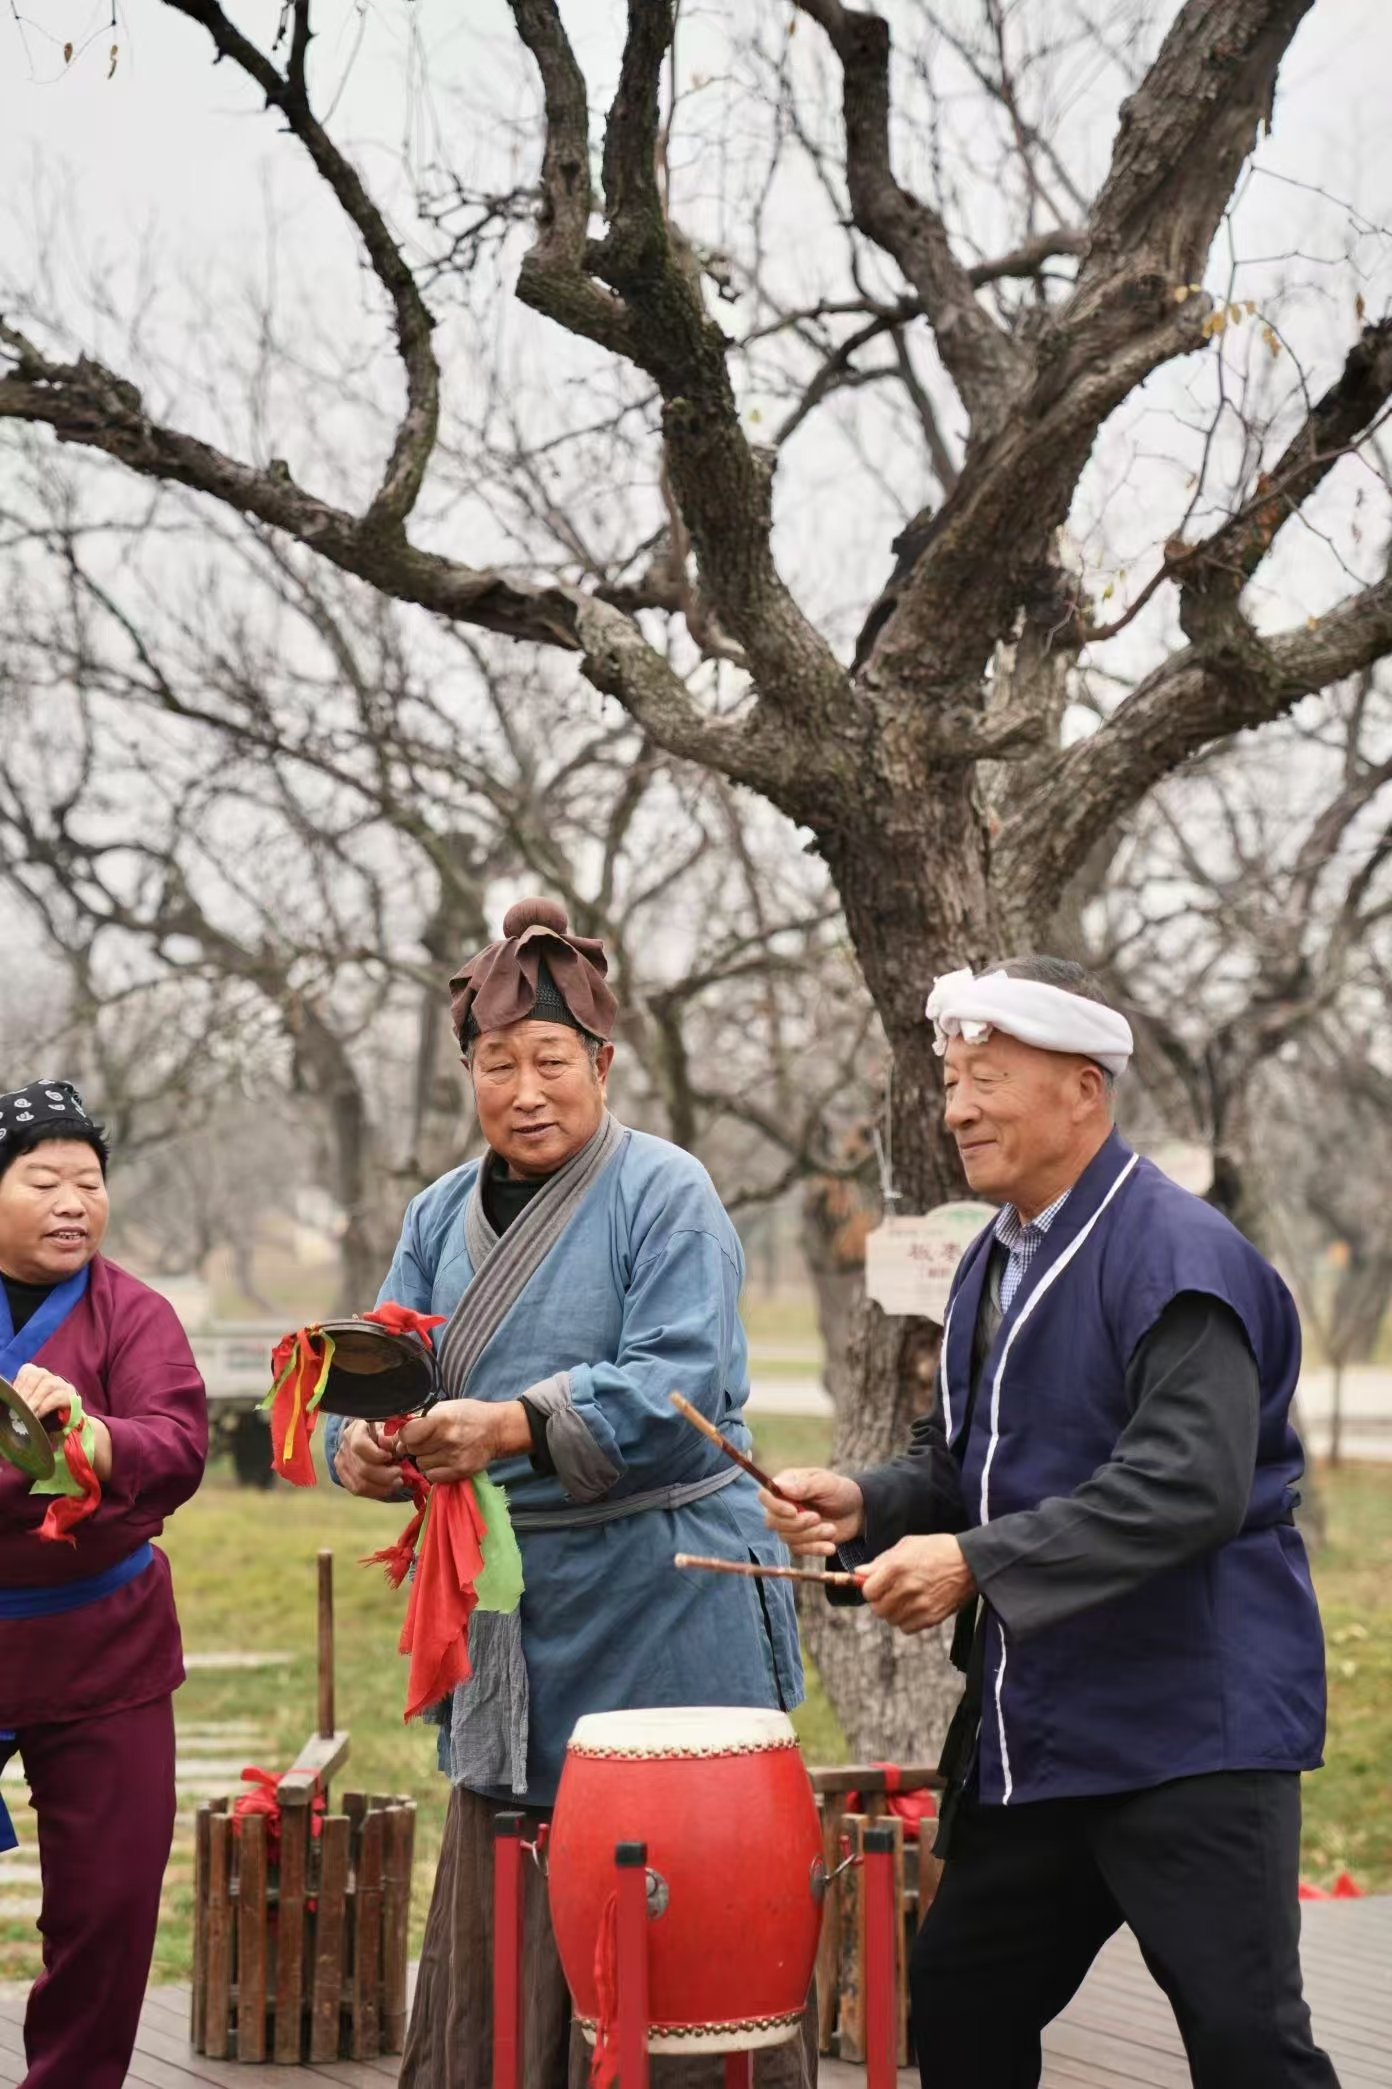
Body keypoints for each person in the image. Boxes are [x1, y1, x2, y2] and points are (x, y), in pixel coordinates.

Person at [764, 956, 1338, 2089]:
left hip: (1192, 1734)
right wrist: (868, 1500)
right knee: (967, 2005)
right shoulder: (992, 1255)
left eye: (991, 1077)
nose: (960, 1105)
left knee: (1245, 2045)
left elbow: (1188, 1483)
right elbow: (966, 1461)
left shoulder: (1179, 1257)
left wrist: (974, 1561)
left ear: (1085, 1088)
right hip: (1045, 1736)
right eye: (954, 1079)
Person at [325, 897, 807, 2089]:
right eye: (499, 1064)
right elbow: (381, 1366)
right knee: (517, 1893)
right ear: (470, 1077)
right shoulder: (437, 1212)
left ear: (600, 1063)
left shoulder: (667, 1189)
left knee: (672, 1906)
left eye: (551, 1060)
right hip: (517, 1607)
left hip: (665, 1592)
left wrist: (510, 1423)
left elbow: (678, 1380)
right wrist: (370, 1451)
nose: (526, 1088)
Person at [0, 1078, 209, 2089]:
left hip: (103, 1640)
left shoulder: (135, 1313)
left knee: (112, 1904)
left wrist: (87, 1434)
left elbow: (176, 1444)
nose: (72, 1200)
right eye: (43, 1179)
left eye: (88, 1180)